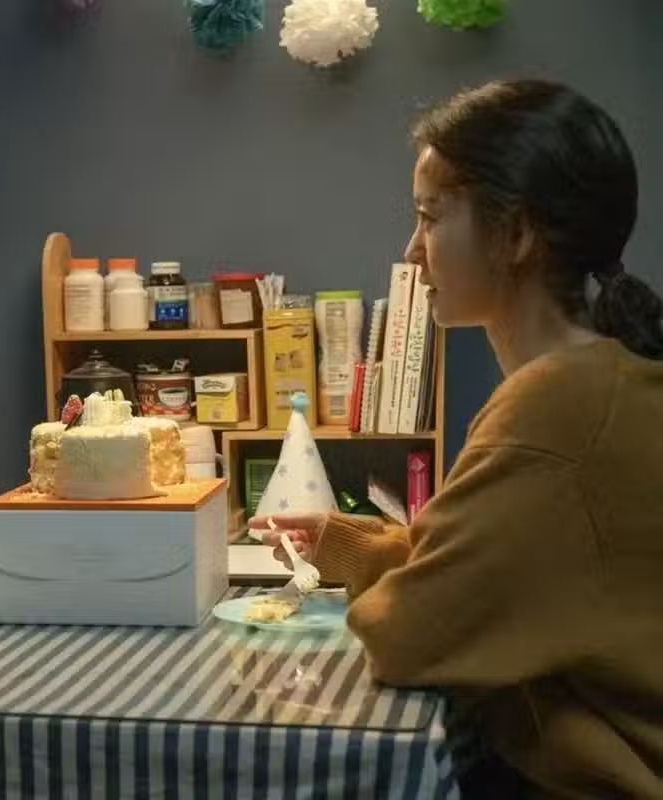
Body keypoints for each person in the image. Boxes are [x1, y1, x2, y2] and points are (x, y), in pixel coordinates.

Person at [253, 79, 663, 798]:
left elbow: (406, 636)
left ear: (517, 234)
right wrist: (344, 545)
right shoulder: (596, 381)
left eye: (430, 217)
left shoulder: (552, 409)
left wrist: (386, 587)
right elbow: (483, 575)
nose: (412, 252)